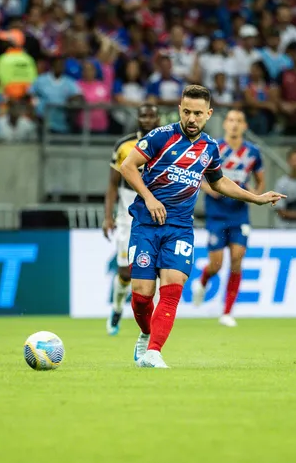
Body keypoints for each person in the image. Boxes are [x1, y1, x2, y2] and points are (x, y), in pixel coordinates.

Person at [118, 86, 285, 368]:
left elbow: (219, 181)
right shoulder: (161, 136)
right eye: (187, 111)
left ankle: (154, 352)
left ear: (208, 114)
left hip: (180, 227)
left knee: (172, 289)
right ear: (180, 110)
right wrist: (149, 198)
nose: (191, 118)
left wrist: (255, 198)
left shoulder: (209, 147)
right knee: (142, 296)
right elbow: (127, 166)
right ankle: (146, 334)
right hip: (147, 223)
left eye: (198, 113)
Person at [192, 108, 265, 327]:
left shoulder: (253, 152)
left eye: (239, 120)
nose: (234, 124)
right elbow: (195, 174)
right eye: (230, 120)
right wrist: (208, 189)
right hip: (216, 213)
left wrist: (255, 193)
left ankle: (227, 312)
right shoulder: (214, 148)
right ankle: (203, 281)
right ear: (225, 125)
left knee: (237, 258)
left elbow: (260, 180)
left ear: (245, 126)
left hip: (239, 213)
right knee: (216, 264)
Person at [102, 103, 162, 336]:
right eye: (143, 115)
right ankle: (117, 308)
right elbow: (112, 184)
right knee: (126, 273)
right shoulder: (125, 145)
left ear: (158, 119)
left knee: (154, 272)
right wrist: (108, 217)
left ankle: (150, 330)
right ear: (138, 119)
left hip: (157, 210)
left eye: (151, 115)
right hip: (128, 212)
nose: (147, 119)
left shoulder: (167, 143)